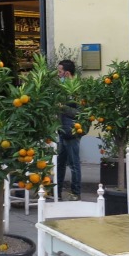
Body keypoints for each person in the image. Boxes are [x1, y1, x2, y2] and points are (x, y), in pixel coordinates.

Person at [55, 59, 81, 201]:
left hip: (72, 131)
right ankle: (56, 192)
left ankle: (76, 192)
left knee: (73, 164)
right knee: (60, 163)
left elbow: (80, 113)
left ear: (67, 73)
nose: (58, 74)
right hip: (62, 130)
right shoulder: (62, 88)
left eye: (60, 72)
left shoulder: (77, 89)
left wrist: (63, 107)